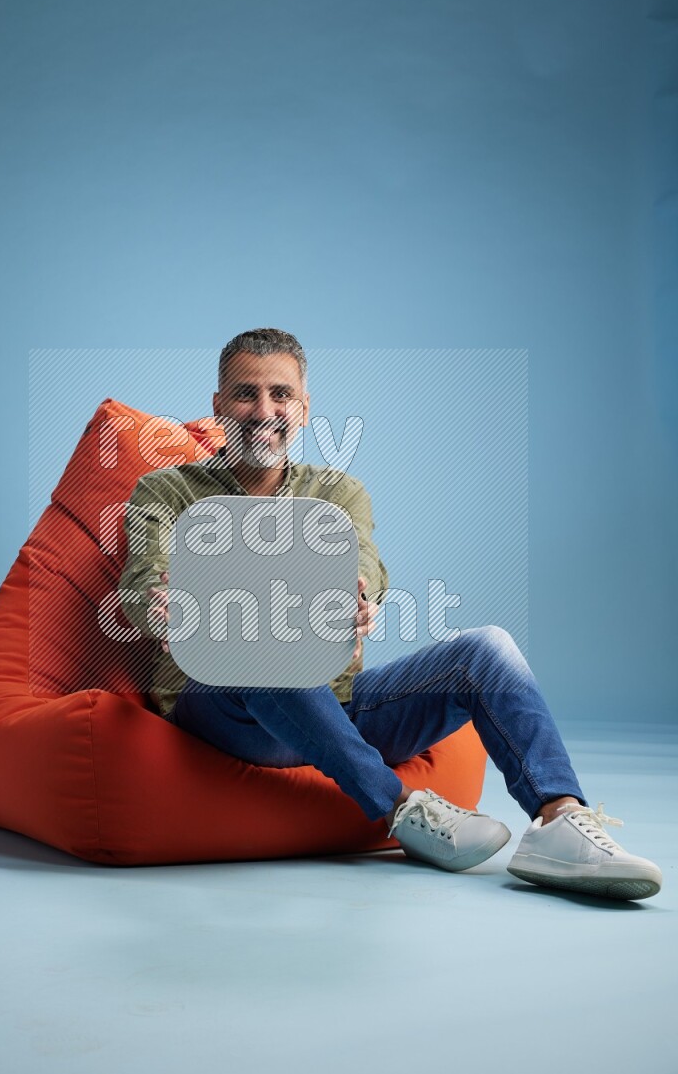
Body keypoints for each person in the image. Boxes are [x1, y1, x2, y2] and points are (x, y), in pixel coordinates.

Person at [118, 328, 662, 900]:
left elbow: (366, 565)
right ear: (218, 405)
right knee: (261, 640)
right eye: (245, 394)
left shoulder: (337, 491)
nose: (263, 410)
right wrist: (159, 603)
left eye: (280, 395)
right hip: (221, 705)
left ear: (303, 409)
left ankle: (558, 821)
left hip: (334, 700)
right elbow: (140, 583)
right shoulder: (167, 490)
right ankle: (401, 808)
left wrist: (362, 597)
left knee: (488, 649)